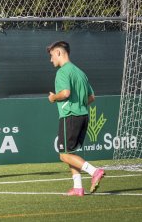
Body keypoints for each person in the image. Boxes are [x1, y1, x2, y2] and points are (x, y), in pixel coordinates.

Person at [47, 41, 105, 196]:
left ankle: (94, 171)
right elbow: (91, 97)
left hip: (70, 117)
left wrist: (53, 98)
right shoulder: (80, 72)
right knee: (70, 153)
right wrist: (79, 104)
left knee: (64, 155)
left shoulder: (62, 72)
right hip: (82, 116)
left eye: (52, 55)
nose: (51, 59)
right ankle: (78, 187)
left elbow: (65, 93)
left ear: (59, 53)